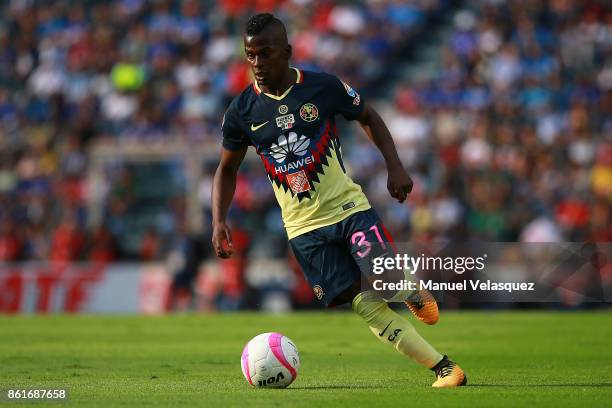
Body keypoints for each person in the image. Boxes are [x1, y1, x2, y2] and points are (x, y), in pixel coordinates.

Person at [211, 13, 466, 387]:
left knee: (386, 281)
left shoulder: (322, 87)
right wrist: (218, 220)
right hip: (303, 231)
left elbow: (368, 116)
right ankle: (445, 368)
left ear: (287, 51)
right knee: (366, 306)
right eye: (251, 55)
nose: (258, 64)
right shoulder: (241, 112)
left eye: (265, 54)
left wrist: (394, 166)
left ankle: (408, 288)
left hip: (349, 210)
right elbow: (226, 169)